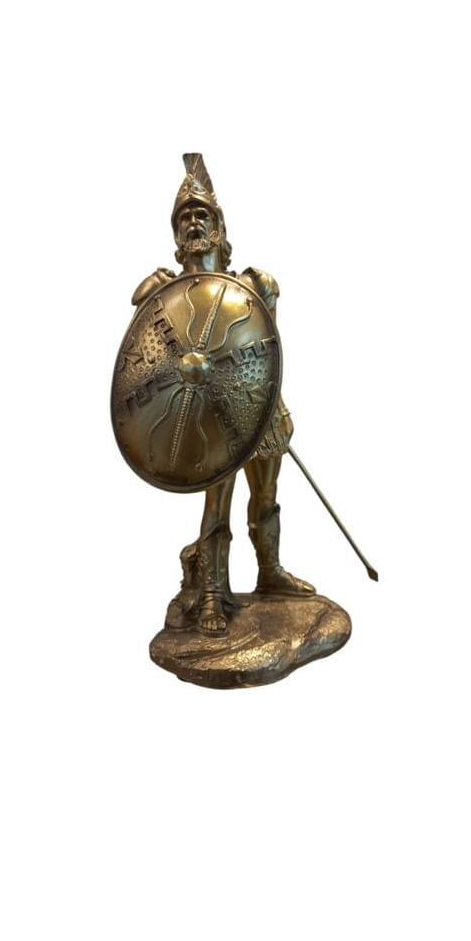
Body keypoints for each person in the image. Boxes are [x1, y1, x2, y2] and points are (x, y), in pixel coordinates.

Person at [131, 156, 313, 635]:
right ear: (176, 235)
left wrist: (270, 405)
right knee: (217, 506)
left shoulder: (253, 285)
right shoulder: (164, 292)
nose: (193, 223)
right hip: (207, 416)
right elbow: (150, 361)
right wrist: (154, 300)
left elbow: (266, 349)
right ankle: (213, 592)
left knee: (266, 495)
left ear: (219, 227)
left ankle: (270, 572)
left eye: (202, 215)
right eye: (184, 219)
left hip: (255, 405)